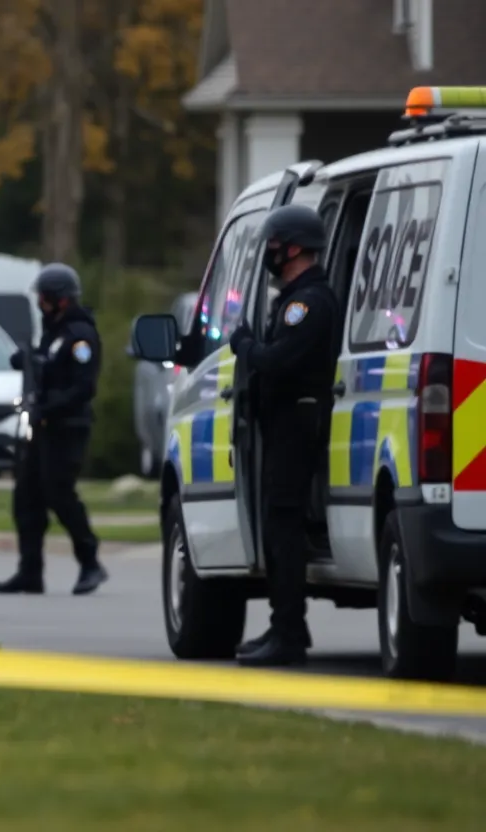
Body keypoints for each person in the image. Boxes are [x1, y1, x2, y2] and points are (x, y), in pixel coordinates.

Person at [228, 203, 338, 667]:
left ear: (293, 249)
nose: (269, 253)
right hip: (284, 424)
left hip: (296, 423)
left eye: (274, 245)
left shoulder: (307, 303)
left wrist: (245, 346)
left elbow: (279, 362)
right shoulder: (296, 299)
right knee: (278, 528)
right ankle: (284, 626)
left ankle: (289, 634)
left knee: (284, 529)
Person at [0, 263, 108, 596]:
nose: (40, 304)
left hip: (67, 428)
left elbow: (83, 387)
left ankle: (90, 562)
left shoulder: (79, 337)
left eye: (44, 298)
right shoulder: (53, 333)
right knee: (26, 497)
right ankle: (30, 572)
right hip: (42, 427)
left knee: (59, 494)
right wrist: (26, 361)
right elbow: (45, 366)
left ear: (60, 299)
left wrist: (50, 405)